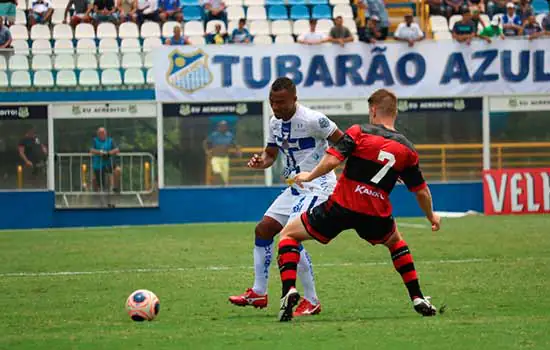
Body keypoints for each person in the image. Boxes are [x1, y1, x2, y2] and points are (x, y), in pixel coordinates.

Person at [275, 89, 441, 322]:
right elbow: (420, 190)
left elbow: (333, 159)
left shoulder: (359, 132)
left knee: (288, 235)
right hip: (375, 213)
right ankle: (417, 297)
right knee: (396, 243)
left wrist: (310, 176)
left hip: (341, 206)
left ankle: (289, 290)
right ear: (394, 112)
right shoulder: (407, 150)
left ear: (373, 110)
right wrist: (431, 216)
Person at [229, 77, 345, 317]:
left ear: (294, 98)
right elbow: (271, 153)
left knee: (290, 235)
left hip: (318, 186)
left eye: (281, 102)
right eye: (272, 102)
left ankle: (311, 300)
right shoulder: (274, 122)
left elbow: (346, 143)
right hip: (294, 187)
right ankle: (259, 292)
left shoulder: (314, 120)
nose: (276, 107)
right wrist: (262, 161)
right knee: (263, 230)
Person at [202, 120, 240, 185]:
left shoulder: (230, 135)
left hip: (225, 158)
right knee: (217, 172)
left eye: (224, 126)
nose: (223, 127)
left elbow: (235, 144)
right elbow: (205, 142)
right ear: (218, 127)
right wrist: (207, 151)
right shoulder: (214, 135)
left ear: (226, 127)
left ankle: (224, 189)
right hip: (216, 158)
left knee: (225, 178)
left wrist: (238, 151)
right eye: (221, 126)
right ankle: (216, 186)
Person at [90, 127, 121, 193]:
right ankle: (96, 193)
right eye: (100, 133)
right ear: (98, 134)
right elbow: (91, 150)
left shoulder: (110, 140)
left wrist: (109, 153)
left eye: (103, 133)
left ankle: (115, 188)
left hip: (109, 163)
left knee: (118, 170)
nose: (102, 134)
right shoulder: (95, 140)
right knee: (96, 180)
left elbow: (117, 149)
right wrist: (100, 152)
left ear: (106, 133)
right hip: (98, 165)